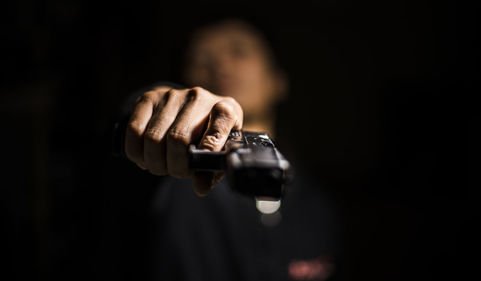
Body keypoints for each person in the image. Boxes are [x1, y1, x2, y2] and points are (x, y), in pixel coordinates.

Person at [119, 18, 340, 281]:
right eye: (201, 59)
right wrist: (152, 107)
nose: (220, 66)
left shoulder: (318, 205)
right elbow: (141, 123)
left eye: (239, 51)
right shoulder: (172, 173)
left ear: (278, 80)